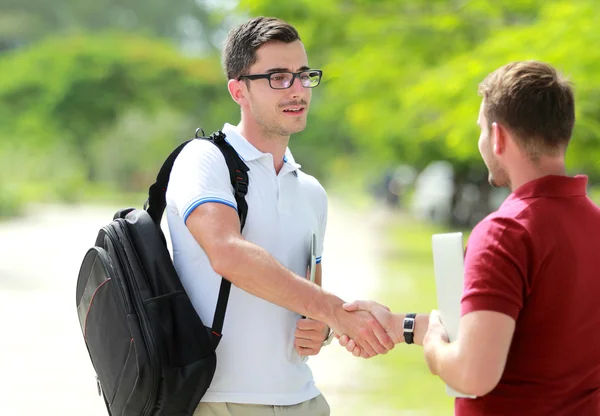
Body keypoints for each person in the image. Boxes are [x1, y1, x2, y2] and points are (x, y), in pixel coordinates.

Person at [339, 60, 600, 415]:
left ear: (498, 136)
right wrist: (404, 326)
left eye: (481, 130)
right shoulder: (592, 223)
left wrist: (433, 349)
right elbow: (508, 331)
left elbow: (472, 375)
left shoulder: (504, 233)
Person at [165, 16, 394, 416]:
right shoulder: (204, 160)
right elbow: (228, 253)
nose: (298, 90)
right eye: (278, 77)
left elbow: (309, 300)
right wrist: (334, 311)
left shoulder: (311, 192)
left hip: (302, 399)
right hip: (219, 400)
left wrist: (323, 329)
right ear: (239, 89)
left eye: (304, 75)